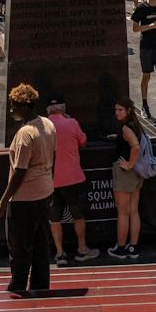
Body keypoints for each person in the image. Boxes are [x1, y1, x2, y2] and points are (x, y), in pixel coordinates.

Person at [0, 84, 57, 297]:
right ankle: (40, 286)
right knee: (40, 245)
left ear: (25, 106)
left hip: (24, 198)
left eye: (14, 106)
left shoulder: (25, 134)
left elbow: (20, 171)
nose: (11, 111)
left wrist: (3, 201)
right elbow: (52, 157)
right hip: (44, 192)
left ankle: (18, 286)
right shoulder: (48, 124)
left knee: (20, 246)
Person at [44, 95, 100, 265]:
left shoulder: (42, 126)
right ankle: (82, 249)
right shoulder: (72, 123)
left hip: (51, 179)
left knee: (55, 218)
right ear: (63, 108)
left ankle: (60, 254)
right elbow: (83, 142)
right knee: (78, 216)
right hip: (73, 177)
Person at [108, 101, 150, 259]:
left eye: (120, 110)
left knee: (123, 213)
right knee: (133, 211)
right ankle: (133, 247)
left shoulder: (126, 128)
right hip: (137, 173)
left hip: (127, 173)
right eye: (116, 110)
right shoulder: (135, 125)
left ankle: (120, 248)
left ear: (128, 111)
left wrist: (129, 164)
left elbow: (136, 147)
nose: (117, 113)